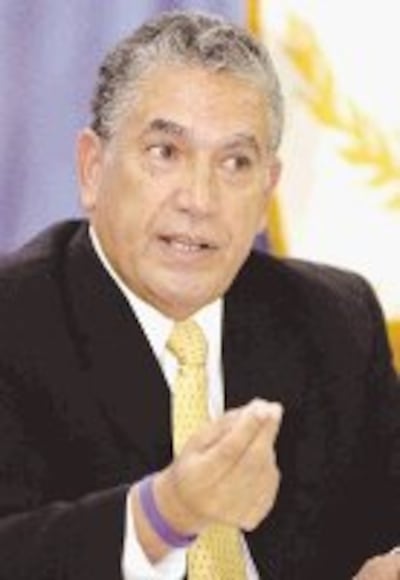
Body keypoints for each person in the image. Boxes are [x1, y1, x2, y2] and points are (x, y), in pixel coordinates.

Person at [0, 10, 398, 580]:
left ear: (267, 192)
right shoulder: (15, 319)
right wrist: (164, 516)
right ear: (92, 168)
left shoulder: (335, 319)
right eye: (165, 152)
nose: (200, 199)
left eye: (235, 163)